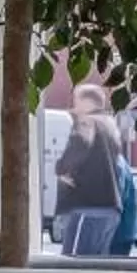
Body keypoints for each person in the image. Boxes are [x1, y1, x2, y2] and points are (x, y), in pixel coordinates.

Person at [53, 85, 125, 257]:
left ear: (86, 102)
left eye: (76, 101)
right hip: (110, 208)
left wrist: (61, 169)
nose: (74, 106)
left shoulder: (87, 122)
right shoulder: (110, 126)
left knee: (74, 264)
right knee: (96, 265)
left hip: (86, 205)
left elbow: (77, 148)